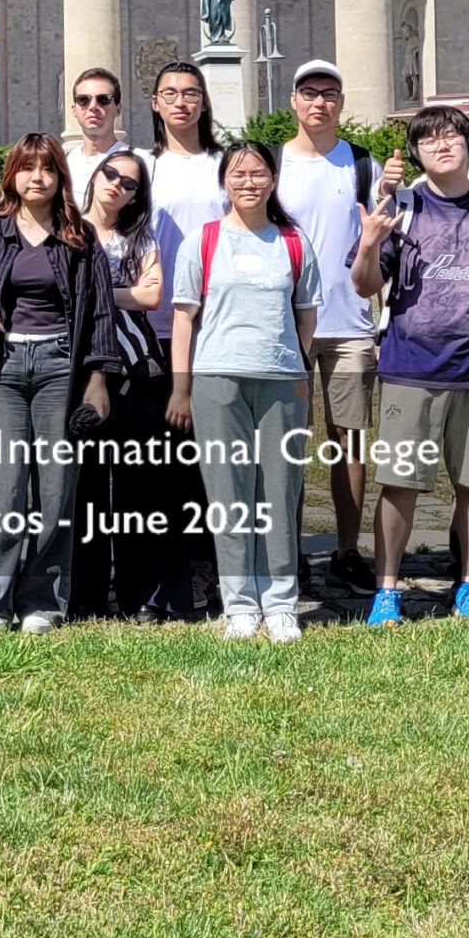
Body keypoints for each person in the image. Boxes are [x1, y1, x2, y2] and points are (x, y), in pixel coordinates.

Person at [352, 104, 469, 626]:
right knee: (398, 484)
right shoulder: (401, 207)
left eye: (451, 136)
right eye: (428, 139)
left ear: (468, 143)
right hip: (409, 367)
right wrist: (370, 244)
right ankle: (387, 590)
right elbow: (365, 285)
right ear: (415, 153)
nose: (441, 145)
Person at [0, 132, 125, 634]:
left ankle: (42, 602)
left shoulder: (79, 237)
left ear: (60, 176)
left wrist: (99, 379)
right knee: (4, 490)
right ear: (12, 174)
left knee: (58, 492)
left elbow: (102, 312)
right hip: (5, 368)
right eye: (26, 167)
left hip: (63, 367)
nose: (36, 178)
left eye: (47, 169)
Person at [167, 141, 320, 640]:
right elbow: (184, 318)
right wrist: (181, 389)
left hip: (280, 381)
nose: (249, 182)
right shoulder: (203, 241)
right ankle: (239, 603)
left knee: (279, 491)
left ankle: (280, 602)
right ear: (224, 181)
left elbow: (306, 313)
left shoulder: (292, 241)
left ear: (273, 180)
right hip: (216, 379)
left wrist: (294, 363)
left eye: (258, 173)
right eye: (238, 173)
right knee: (228, 493)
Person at [275, 60, 399, 591]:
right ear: (294, 103)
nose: (319, 102)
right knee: (286, 442)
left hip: (350, 325)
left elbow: (386, 238)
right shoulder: (273, 164)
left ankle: (347, 550)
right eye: (309, 93)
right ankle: (290, 549)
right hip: (285, 325)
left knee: (349, 442)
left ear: (341, 104)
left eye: (329, 94)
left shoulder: (363, 165)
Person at [67, 151, 175, 621]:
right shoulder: (66, 229)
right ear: (94, 175)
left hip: (136, 370)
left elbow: (153, 295)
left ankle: (140, 594)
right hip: (77, 367)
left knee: (137, 485)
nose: (116, 185)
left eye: (129, 183)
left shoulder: (138, 235)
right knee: (85, 486)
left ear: (137, 196)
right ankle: (85, 595)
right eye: (110, 174)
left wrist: (92, 292)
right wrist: (119, 293)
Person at [141, 60, 225, 618]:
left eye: (190, 93)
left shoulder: (225, 166)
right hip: (149, 330)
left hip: (216, 327)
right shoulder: (141, 168)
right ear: (154, 103)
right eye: (170, 93)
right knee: (157, 461)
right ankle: (161, 572)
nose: (180, 102)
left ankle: (213, 568)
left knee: (213, 458)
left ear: (203, 103)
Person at [64, 67, 131, 208]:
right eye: (83, 100)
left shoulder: (138, 164)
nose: (93, 106)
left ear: (118, 108)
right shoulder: (64, 166)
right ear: (74, 110)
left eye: (103, 100)